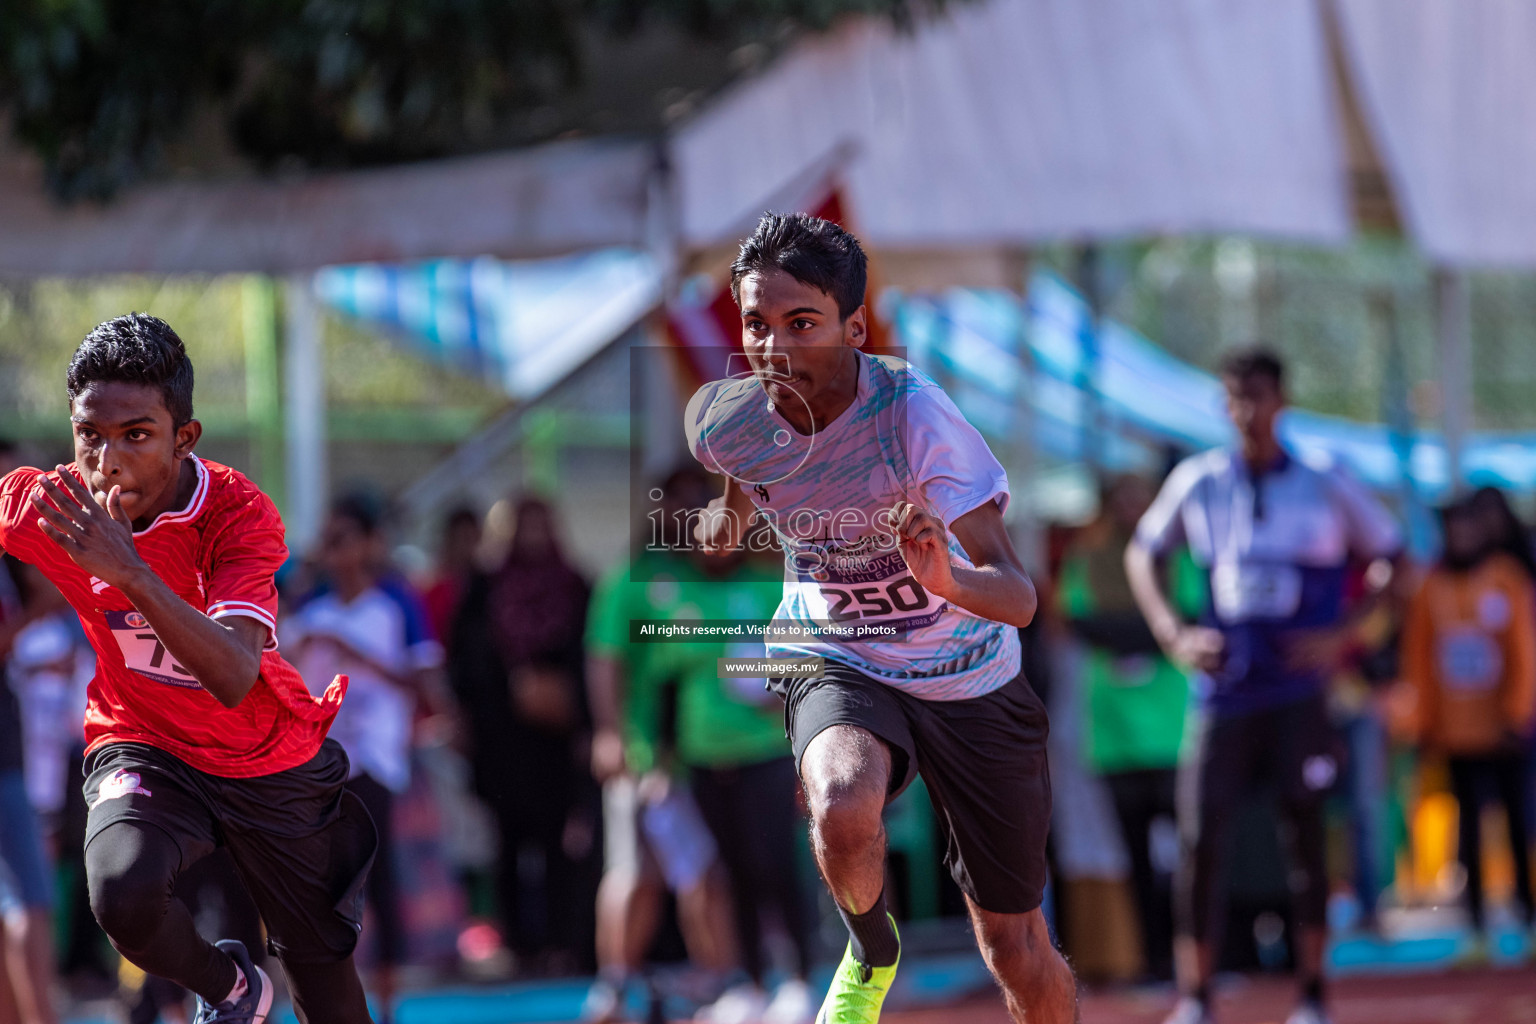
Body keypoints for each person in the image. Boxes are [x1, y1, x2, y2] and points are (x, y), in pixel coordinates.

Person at [687, 213, 1076, 1024]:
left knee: (1014, 950)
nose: (774, 349)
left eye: (802, 324)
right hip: (841, 654)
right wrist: (723, 532)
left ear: (854, 328)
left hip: (969, 675)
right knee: (839, 800)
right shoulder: (732, 422)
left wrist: (944, 577)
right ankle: (872, 949)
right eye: (756, 325)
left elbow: (1019, 595)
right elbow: (742, 493)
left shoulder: (914, 418)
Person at [0, 314, 377, 1024]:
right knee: (119, 889)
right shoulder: (52, 508)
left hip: (264, 756)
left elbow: (235, 673)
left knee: (326, 987)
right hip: (144, 739)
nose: (107, 460)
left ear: (184, 437)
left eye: (136, 435)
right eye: (90, 435)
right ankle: (234, 988)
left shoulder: (237, 515)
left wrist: (132, 573)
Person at [1124, 349, 1404, 1024]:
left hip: (1299, 694)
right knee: (1200, 839)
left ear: (1283, 401)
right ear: (1224, 406)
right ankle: (1195, 997)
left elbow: (1394, 555)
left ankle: (1312, 995)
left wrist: (1346, 634)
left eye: (1259, 397)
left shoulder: (1324, 479)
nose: (1248, 412)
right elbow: (1144, 550)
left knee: (1305, 837)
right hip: (1222, 696)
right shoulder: (1201, 481)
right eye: (1235, 399)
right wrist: (1171, 631)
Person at [582, 473, 741, 1023]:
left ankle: (720, 983)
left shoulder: (710, 580)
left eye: (703, 502)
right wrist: (611, 735)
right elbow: (605, 660)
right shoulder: (630, 579)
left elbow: (733, 663)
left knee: (703, 875)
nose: (693, 512)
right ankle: (617, 988)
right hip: (645, 758)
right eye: (682, 501)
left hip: (703, 761)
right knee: (640, 874)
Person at [287, 493, 451, 1022]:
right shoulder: (310, 610)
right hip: (317, 764)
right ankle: (334, 1001)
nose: (335, 552)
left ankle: (386, 1004)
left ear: (368, 544)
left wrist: (357, 657)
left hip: (376, 762)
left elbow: (421, 682)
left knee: (377, 884)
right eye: (328, 542)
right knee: (320, 887)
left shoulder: (396, 604)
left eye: (344, 540)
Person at [1057, 474, 1200, 982]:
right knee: (1136, 859)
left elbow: (1192, 610)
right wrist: (1152, 635)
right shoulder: (1088, 558)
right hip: (1115, 735)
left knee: (1188, 856)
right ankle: (1152, 961)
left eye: (1141, 498)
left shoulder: (1175, 557)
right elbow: (1075, 618)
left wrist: (1128, 637)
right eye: (1123, 497)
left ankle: (1195, 958)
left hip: (1172, 732)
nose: (1133, 508)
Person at [1402, 497, 1535, 951]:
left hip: (1504, 730)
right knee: (1469, 831)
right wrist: (1423, 721)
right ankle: (1476, 928)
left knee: (1519, 823)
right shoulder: (1431, 588)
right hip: (1456, 732)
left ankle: (1528, 916)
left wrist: (1518, 714)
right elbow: (1418, 660)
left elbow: (1524, 651)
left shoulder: (1505, 578)